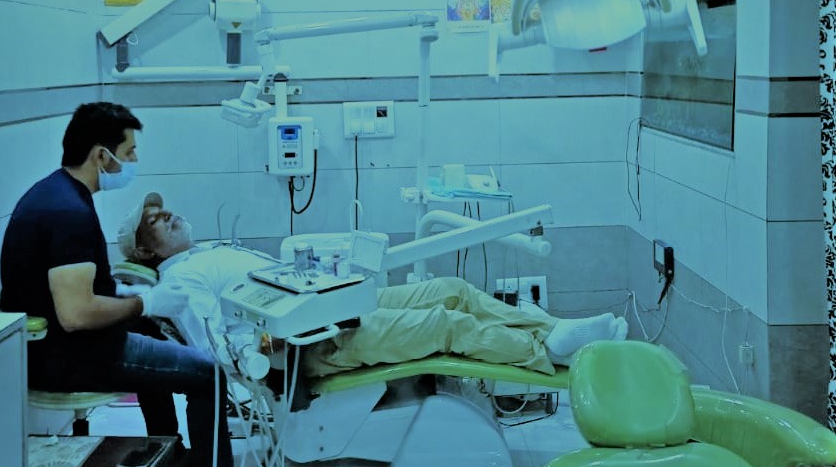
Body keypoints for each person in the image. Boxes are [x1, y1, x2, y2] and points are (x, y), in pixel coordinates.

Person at [0, 102, 278, 467]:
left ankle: (169, 456)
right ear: (100, 156)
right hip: (67, 355)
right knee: (207, 376)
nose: (132, 162)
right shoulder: (67, 213)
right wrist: (143, 303)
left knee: (153, 334)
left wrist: (127, 298)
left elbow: (75, 291)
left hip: (57, 342)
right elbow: (75, 315)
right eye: (128, 152)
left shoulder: (56, 194)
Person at [118, 193, 629, 380]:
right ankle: (545, 353)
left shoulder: (206, 251)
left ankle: (558, 328)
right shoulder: (182, 280)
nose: (169, 215)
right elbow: (215, 350)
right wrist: (263, 356)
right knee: (444, 323)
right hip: (311, 347)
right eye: (157, 223)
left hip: (329, 306)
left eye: (164, 210)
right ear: (146, 252)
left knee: (449, 288)